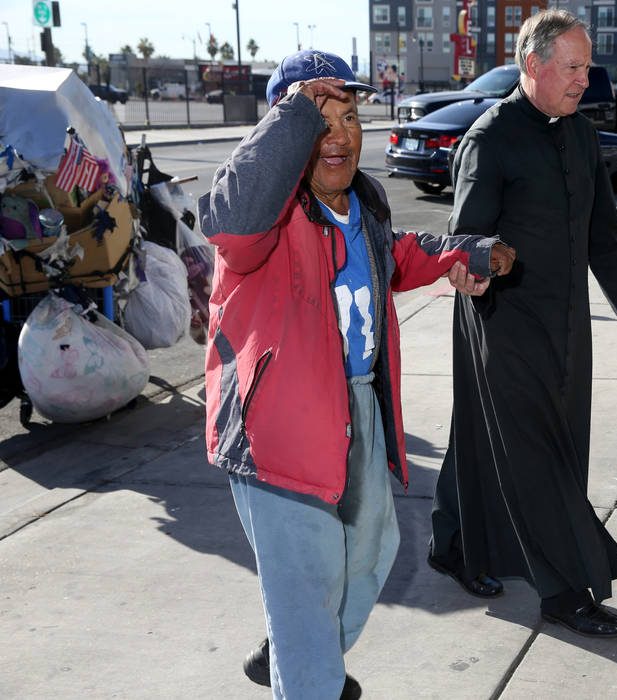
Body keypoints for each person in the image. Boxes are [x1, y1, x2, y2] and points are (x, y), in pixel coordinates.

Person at [197, 49, 515, 699]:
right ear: (285, 129)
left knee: (371, 554)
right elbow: (229, 222)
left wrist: (464, 253)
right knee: (309, 591)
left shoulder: (359, 208)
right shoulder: (262, 216)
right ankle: (309, 673)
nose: (338, 134)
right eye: (319, 118)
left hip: (358, 409)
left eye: (349, 116)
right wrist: (295, 115)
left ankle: (297, 653)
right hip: (278, 430)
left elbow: (397, 256)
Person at [428, 9, 617, 639]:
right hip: (501, 316)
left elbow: (602, 235)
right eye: (573, 66)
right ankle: (563, 589)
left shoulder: (581, 135)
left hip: (566, 321)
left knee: (498, 435)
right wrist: (470, 266)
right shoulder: (490, 136)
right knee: (535, 451)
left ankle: (450, 542)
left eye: (588, 67)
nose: (585, 79)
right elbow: (467, 236)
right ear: (532, 65)